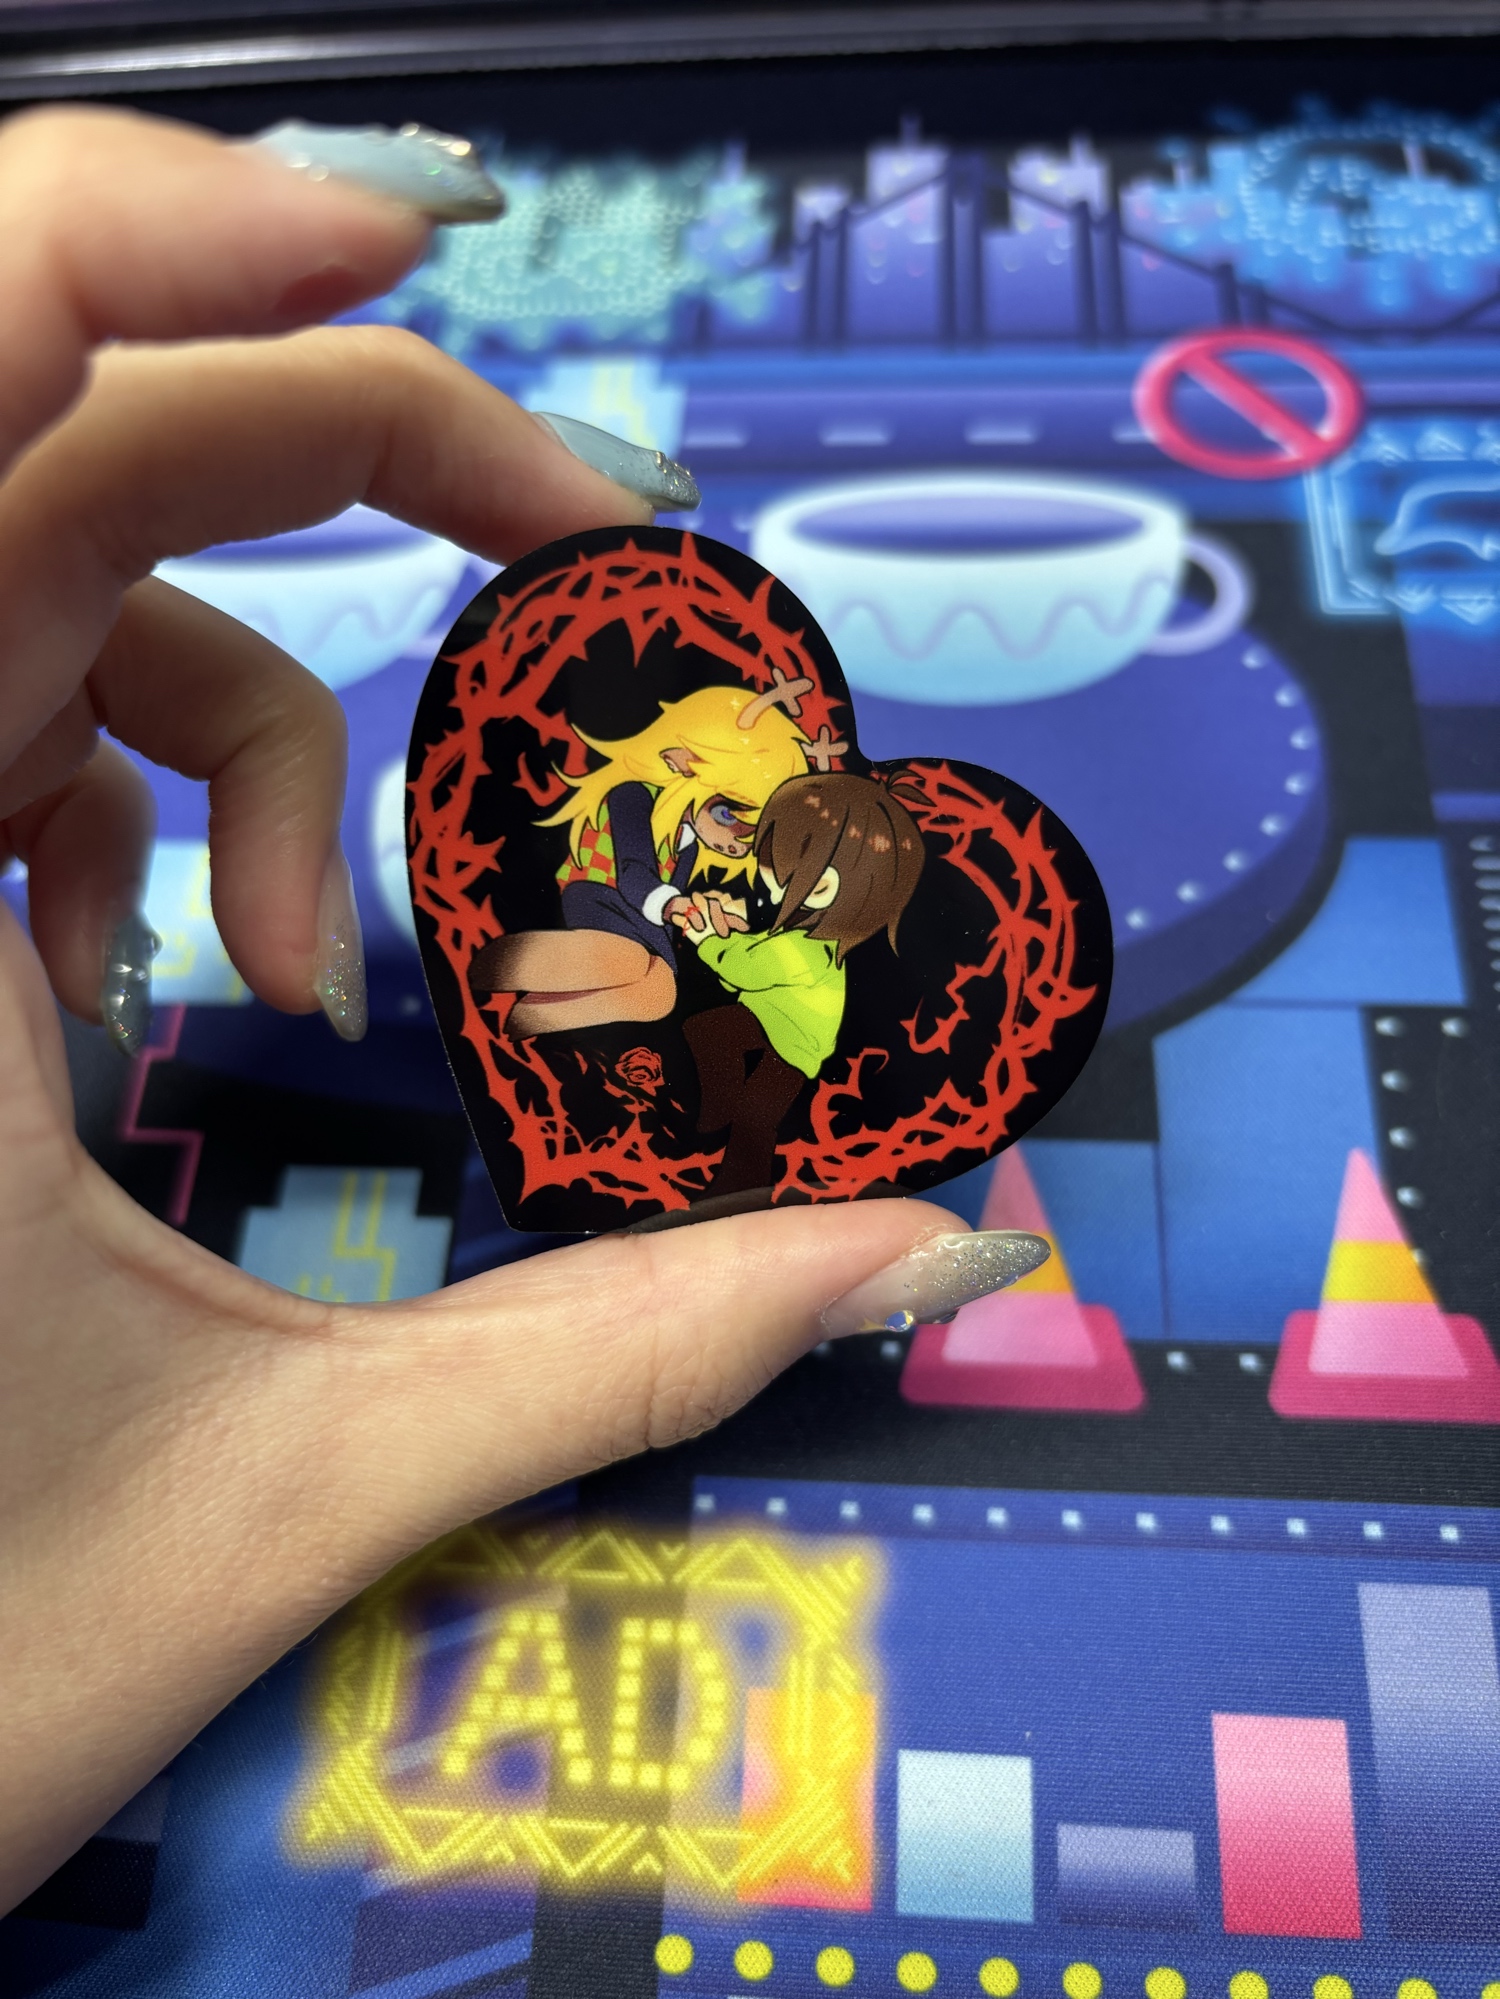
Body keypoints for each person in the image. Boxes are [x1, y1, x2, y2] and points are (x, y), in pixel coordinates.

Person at [0, 104, 1043, 1917]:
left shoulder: (788, 937)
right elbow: (562, 961)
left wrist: (711, 956)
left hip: (734, 1061)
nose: (713, 826)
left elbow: (763, 986)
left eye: (740, 804)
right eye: (689, 790)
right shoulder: (633, 890)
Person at [469, 683, 810, 1035]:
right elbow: (635, 875)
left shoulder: (690, 846)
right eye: (727, 815)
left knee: (659, 993)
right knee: (628, 960)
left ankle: (527, 1019)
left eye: (753, 831)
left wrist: (701, 915)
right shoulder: (633, 796)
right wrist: (675, 906)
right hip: (600, 896)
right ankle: (503, 963)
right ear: (685, 764)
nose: (737, 843)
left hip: (643, 922)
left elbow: (668, 897)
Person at [679, 773, 925, 1196]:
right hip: (770, 1017)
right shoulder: (804, 931)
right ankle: (718, 1112)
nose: (765, 871)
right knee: (707, 1031)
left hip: (793, 1046)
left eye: (778, 862)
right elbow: (759, 952)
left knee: (756, 1117)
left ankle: (740, 1187)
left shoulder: (804, 949)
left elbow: (746, 969)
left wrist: (708, 940)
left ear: (825, 884)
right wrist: (736, 930)